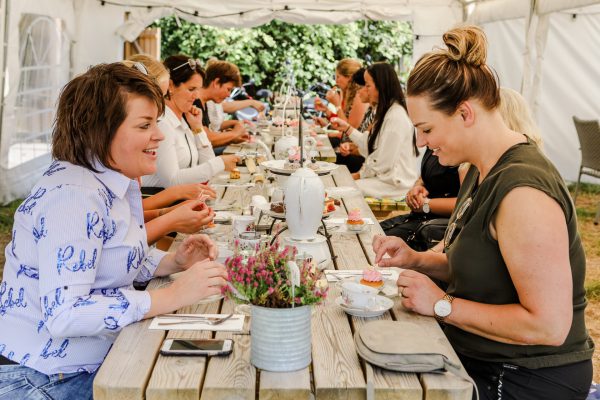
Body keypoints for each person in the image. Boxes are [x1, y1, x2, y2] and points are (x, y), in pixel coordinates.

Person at [373, 25, 593, 399]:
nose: (421, 142)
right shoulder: (479, 168)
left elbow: (549, 326)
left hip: (526, 375)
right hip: (486, 355)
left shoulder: (523, 191)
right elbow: (483, 265)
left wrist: (442, 304)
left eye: (426, 128)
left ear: (464, 113)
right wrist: (419, 261)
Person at [0, 63, 228, 399]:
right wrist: (169, 297)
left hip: (88, 362)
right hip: (44, 377)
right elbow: (65, 314)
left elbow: (108, 256)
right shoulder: (74, 196)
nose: (159, 135)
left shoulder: (107, 180)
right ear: (101, 130)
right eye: (144, 125)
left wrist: (173, 262)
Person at [123, 56, 217, 245]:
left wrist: (169, 213)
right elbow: (122, 242)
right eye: (144, 125)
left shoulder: (182, 119)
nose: (159, 135)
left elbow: (127, 216)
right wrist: (172, 212)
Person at [142, 55, 239, 189]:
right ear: (171, 86)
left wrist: (198, 128)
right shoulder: (163, 123)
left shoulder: (182, 120)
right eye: (191, 89)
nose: (196, 96)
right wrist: (220, 163)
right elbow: (171, 181)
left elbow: (207, 162)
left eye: (198, 90)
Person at [332, 62, 418, 198]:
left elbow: (383, 163)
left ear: (380, 86)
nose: (365, 90)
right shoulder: (385, 111)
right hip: (384, 179)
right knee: (338, 184)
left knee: (342, 190)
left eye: (367, 85)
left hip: (395, 185)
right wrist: (347, 129)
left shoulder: (395, 116)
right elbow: (370, 145)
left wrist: (358, 175)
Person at [379, 147, 462, 250]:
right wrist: (417, 187)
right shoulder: (432, 146)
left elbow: (465, 205)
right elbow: (425, 176)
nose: (419, 142)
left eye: (427, 131)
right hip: (419, 216)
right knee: (376, 232)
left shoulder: (465, 157)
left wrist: (426, 204)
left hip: (435, 228)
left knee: (380, 243)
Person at [194, 59, 250, 153]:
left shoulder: (204, 102)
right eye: (228, 89)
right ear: (216, 82)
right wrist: (234, 134)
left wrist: (232, 138)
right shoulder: (194, 101)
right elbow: (207, 139)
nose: (228, 95)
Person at [315, 58, 367, 129]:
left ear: (349, 77)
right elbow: (342, 121)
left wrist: (337, 105)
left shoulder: (360, 95)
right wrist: (326, 111)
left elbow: (349, 130)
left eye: (338, 77)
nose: (336, 81)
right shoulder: (345, 93)